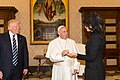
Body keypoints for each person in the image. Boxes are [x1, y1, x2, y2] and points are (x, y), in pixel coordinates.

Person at [67, 12, 106, 80]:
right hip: (97, 68)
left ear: (91, 25)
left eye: (86, 25)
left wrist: (76, 55)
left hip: (94, 70)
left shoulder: (95, 37)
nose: (85, 26)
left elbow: (91, 57)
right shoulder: (99, 34)